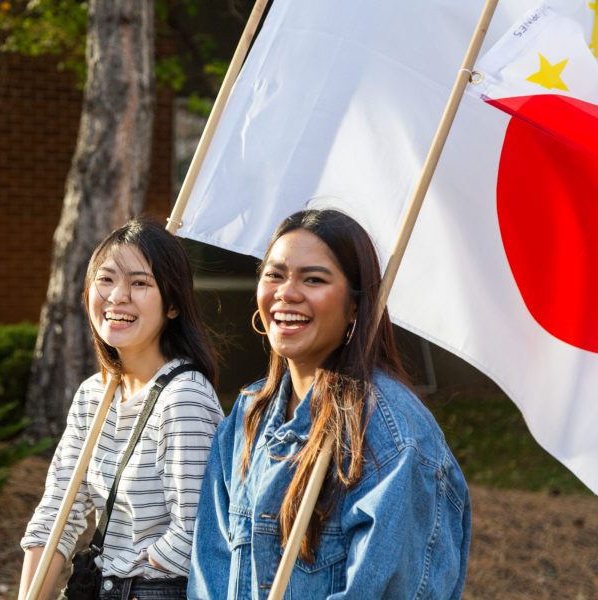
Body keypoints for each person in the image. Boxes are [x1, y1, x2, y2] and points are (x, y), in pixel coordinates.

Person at [188, 209, 471, 599]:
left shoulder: (395, 439)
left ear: (356, 305)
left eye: (314, 279)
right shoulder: (245, 417)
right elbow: (210, 576)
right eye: (274, 274)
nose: (286, 292)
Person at [19, 217, 224, 600]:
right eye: (106, 278)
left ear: (174, 305)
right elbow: (56, 515)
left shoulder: (184, 399)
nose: (117, 296)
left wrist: (129, 568)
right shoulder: (92, 395)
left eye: (140, 283)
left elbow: (199, 531)